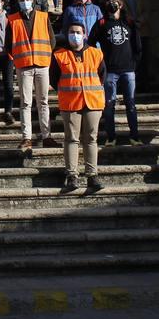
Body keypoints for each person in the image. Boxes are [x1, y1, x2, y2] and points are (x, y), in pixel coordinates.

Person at [51, 23, 107, 193]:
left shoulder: (96, 53)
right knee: (71, 139)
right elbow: (54, 79)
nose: (74, 35)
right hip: (70, 103)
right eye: (71, 32)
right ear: (67, 35)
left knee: (91, 138)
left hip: (93, 101)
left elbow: (102, 75)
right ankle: (72, 176)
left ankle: (92, 175)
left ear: (84, 34)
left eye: (77, 32)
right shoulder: (59, 55)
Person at [7, 0, 55, 153]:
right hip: (24, 66)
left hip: (42, 64)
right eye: (22, 0)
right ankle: (26, 137)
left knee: (43, 101)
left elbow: (52, 40)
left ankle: (46, 136)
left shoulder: (43, 16)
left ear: (33, 0)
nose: (25, 2)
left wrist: (46, 58)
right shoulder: (12, 19)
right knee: (25, 103)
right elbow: (8, 44)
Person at [91, 0, 141, 145]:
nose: (112, 4)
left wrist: (134, 63)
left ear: (121, 4)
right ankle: (111, 137)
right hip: (110, 70)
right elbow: (91, 42)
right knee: (109, 105)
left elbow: (137, 45)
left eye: (115, 1)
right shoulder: (101, 23)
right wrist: (99, 62)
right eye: (110, 1)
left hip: (128, 69)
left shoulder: (129, 22)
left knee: (131, 104)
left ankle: (135, 136)